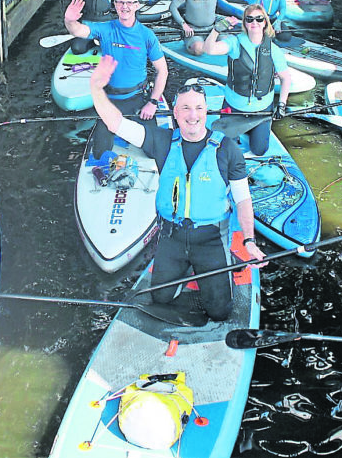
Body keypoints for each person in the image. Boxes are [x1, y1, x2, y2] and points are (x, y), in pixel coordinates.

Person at [89, 55, 266, 320]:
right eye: (185, 108)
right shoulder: (160, 140)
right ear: (175, 112)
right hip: (171, 236)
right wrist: (96, 88)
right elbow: (116, 124)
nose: (192, 115)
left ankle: (216, 268)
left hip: (211, 239)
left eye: (198, 108)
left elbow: (242, 200)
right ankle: (185, 270)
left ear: (206, 111)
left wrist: (250, 240)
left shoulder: (227, 149)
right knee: (160, 298)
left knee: (219, 312)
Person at [64, 0, 169, 162]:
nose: (124, 6)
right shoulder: (105, 29)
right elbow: (77, 31)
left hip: (138, 98)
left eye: (129, 3)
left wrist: (152, 102)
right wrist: (69, 20)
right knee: (100, 154)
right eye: (120, 2)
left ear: (136, 5)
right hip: (110, 100)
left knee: (154, 151)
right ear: (115, 5)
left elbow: (162, 71)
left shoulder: (147, 35)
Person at [203, 3, 291, 157]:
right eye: (249, 19)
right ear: (245, 23)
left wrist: (282, 104)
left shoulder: (274, 50)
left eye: (259, 19)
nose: (254, 23)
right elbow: (209, 49)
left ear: (265, 22)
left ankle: (254, 129)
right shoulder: (234, 43)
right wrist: (216, 30)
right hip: (234, 107)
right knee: (226, 148)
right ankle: (239, 129)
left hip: (261, 110)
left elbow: (286, 78)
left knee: (259, 150)